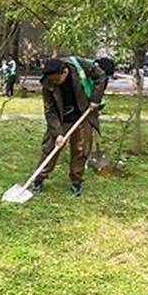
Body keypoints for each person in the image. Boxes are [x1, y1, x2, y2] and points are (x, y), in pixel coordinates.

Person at [32, 57, 107, 196]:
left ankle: (76, 181)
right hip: (62, 118)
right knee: (51, 147)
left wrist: (95, 100)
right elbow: (50, 111)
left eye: (56, 80)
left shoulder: (80, 67)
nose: (54, 83)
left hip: (84, 113)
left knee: (81, 149)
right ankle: (38, 179)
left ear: (65, 72)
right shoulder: (48, 84)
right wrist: (58, 133)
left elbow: (101, 76)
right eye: (51, 81)